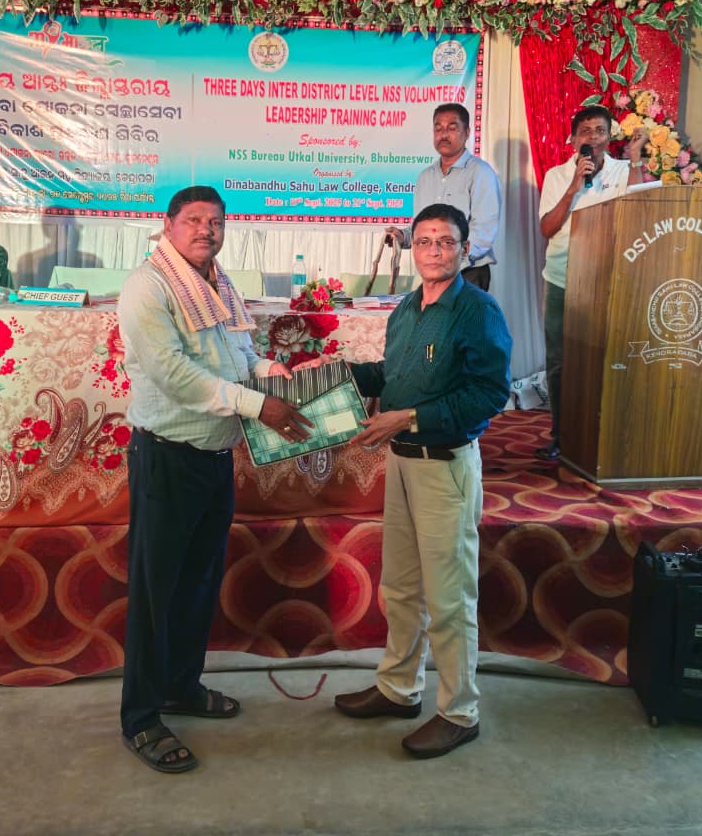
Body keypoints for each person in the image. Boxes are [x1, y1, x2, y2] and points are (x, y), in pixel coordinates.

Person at [117, 185, 312, 774]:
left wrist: (269, 370)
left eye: (217, 222)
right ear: (169, 225)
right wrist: (258, 405)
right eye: (194, 220)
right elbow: (174, 374)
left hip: (212, 457)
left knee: (197, 585)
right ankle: (140, 718)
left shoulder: (217, 284)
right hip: (167, 458)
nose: (206, 230)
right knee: (155, 593)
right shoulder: (149, 286)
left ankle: (181, 686)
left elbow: (237, 356)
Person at [335, 202, 512, 759]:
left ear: (464, 249)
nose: (434, 251)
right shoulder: (407, 310)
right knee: (402, 587)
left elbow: (490, 394)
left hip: (445, 465)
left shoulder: (478, 311)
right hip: (403, 464)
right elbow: (391, 376)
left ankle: (459, 712)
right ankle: (398, 687)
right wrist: (336, 376)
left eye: (446, 241)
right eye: (426, 240)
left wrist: (408, 418)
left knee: (450, 596)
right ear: (413, 247)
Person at [534, 106, 646, 461]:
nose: (593, 137)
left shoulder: (624, 171)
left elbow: (639, 212)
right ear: (573, 139)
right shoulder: (556, 175)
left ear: (609, 138)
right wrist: (573, 187)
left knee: (606, 357)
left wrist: (637, 160)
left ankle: (604, 434)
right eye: (585, 131)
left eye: (600, 130)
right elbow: (547, 228)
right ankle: (561, 434)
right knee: (559, 360)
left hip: (607, 280)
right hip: (562, 278)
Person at [385, 103, 503, 291]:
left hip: (467, 273)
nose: (444, 135)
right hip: (432, 272)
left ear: (467, 132)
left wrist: (450, 258)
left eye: (452, 128)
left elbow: (483, 232)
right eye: (438, 129)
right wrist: (403, 237)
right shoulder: (426, 176)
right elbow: (420, 227)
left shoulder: (481, 173)